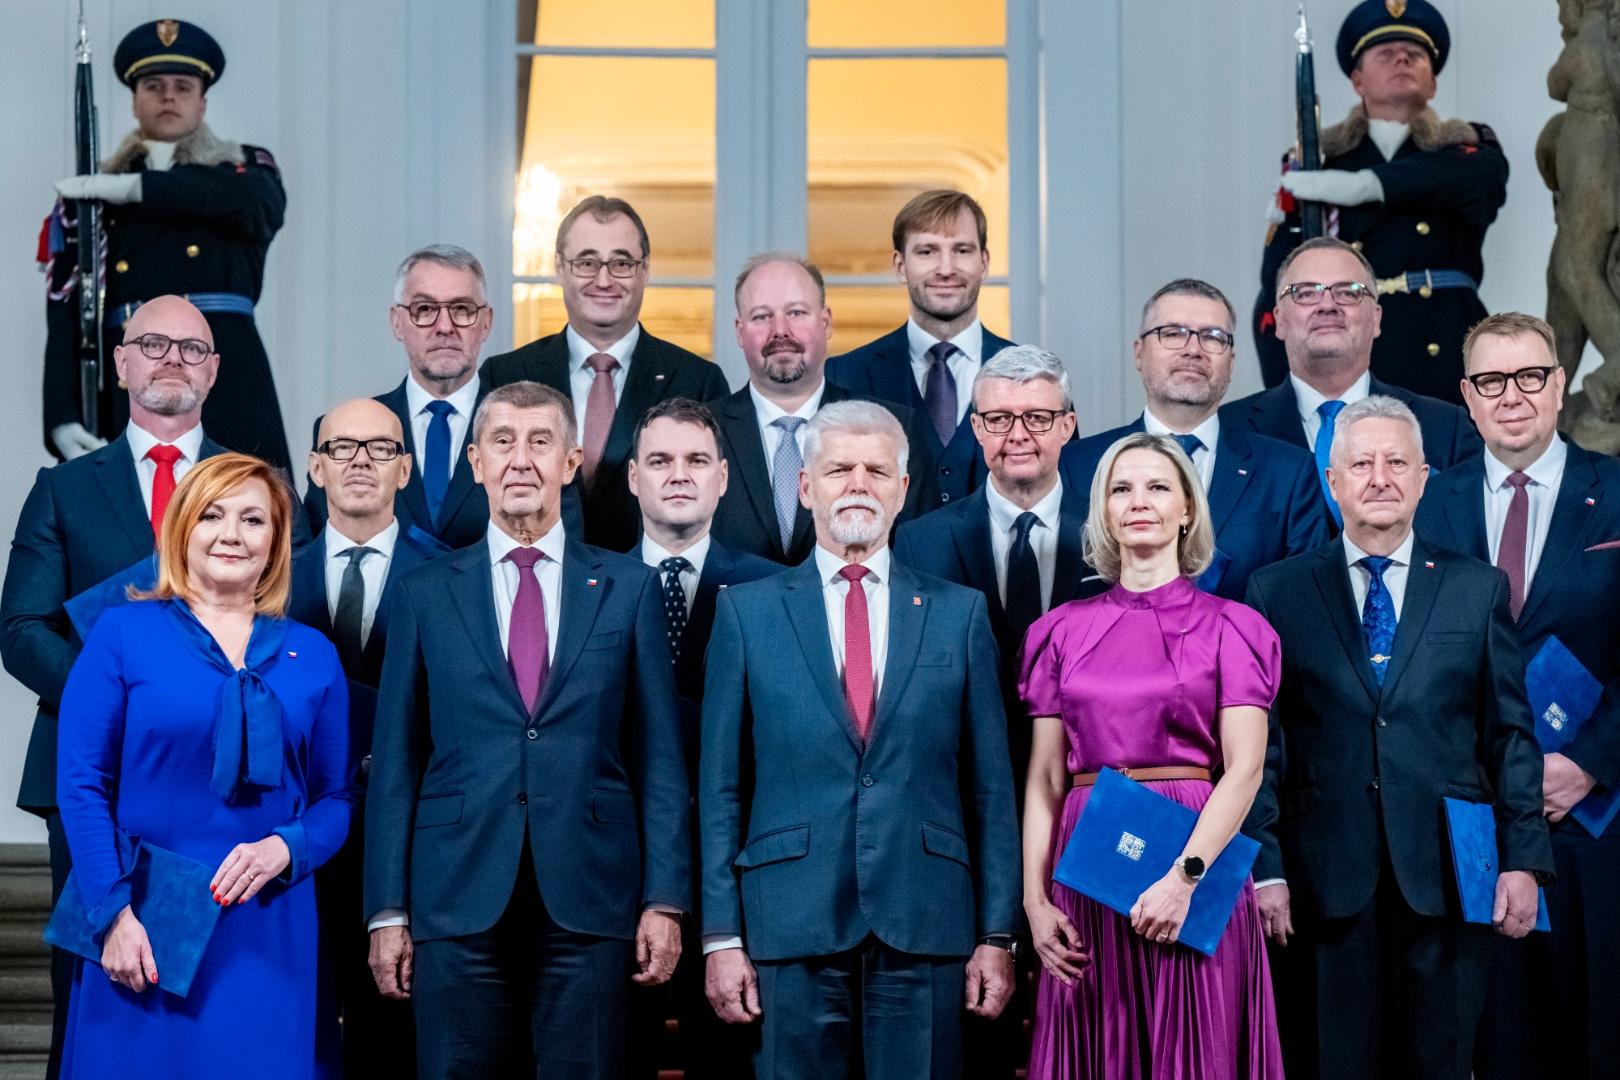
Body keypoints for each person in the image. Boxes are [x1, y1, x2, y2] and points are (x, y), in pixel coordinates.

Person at [363, 380, 690, 1077]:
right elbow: (395, 765)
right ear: (475, 462)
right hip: (453, 898)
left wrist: (665, 899)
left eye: (540, 442)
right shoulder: (423, 591)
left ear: (571, 461)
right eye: (503, 442)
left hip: (592, 899)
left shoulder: (628, 588)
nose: (521, 460)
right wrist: (387, 911)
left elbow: (658, 758)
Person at [701, 401, 1021, 1078]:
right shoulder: (745, 613)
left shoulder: (959, 614)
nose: (857, 483)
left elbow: (991, 789)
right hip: (786, 923)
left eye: (877, 470)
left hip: (926, 918)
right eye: (839, 468)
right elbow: (720, 790)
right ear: (806, 486)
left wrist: (997, 934)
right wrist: (721, 936)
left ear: (903, 490)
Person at [1244, 395, 1553, 1079]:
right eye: (1361, 463)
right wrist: (1265, 867)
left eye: (1396, 462)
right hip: (1321, 881)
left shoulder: (1477, 589)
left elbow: (1511, 735)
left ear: (1423, 477)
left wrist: (1524, 861)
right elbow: (1260, 750)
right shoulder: (1276, 592)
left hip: (1448, 875)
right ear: (1332, 481)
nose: (1379, 477)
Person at [54, 452, 354, 1077]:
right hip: (145, 920)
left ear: (276, 541)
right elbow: (82, 787)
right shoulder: (121, 633)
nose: (232, 534)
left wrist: (287, 847)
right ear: (181, 527)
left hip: (270, 927)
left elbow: (337, 799)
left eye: (254, 520)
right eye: (213, 515)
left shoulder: (314, 653)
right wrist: (112, 917)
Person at [2, 294, 236, 1079]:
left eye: (192, 349)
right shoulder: (64, 489)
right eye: (154, 344)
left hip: (222, 776)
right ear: (124, 362)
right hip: (91, 774)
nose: (173, 358)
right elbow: (23, 629)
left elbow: (282, 623)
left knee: (213, 987)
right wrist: (121, 713)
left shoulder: (254, 485)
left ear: (213, 373)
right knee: (94, 978)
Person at [1019, 432, 1284, 1078]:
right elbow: (1045, 778)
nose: (1140, 502)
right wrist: (1033, 899)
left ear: (1187, 509)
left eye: (1159, 487)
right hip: (1085, 866)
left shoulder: (1234, 626)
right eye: (1122, 488)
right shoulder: (1057, 630)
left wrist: (1182, 878)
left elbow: (1245, 768)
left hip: (1197, 854)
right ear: (1104, 511)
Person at [1414, 313, 1620, 1079]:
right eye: (1492, 381)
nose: (1513, 396)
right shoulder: (1427, 506)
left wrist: (1592, 763)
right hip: (1470, 821)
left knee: (1593, 1034)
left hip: (1594, 820)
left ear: (1560, 385)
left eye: (1530, 376)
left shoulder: (1618, 492)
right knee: (1494, 1043)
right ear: (1468, 397)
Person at [891, 344, 1088, 1080]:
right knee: (976, 1026)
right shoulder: (919, 541)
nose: (1019, 434)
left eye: (1038, 416)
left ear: (1069, 425)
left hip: (1086, 803)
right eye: (999, 417)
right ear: (974, 428)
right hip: (959, 813)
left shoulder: (1113, 536)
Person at [42, 19, 291, 470]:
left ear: (202, 101)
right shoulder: (94, 196)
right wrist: (60, 415)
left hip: (227, 380)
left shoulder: (243, 168)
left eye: (183, 85)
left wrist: (137, 189)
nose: (168, 96)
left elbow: (258, 205)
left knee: (245, 520)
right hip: (132, 382)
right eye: (154, 85)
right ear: (136, 102)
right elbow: (69, 311)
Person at [623, 397, 778, 1080]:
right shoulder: (592, 584)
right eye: (660, 460)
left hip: (743, 880)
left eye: (695, 461)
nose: (678, 475)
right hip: (619, 882)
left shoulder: (776, 590)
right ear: (633, 478)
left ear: (722, 476)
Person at [290, 398, 443, 1076]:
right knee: (296, 1029)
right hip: (292, 840)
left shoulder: (452, 577)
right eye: (342, 447)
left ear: (404, 470)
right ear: (315, 467)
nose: (360, 460)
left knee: (394, 1041)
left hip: (413, 843)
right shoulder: (267, 579)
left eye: (380, 448)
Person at [1252, 0, 1506, 406]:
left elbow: (1478, 181)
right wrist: (1291, 393)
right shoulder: (1316, 166)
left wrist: (1362, 187)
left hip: (1444, 364)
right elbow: (1276, 293)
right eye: (1386, 54)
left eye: (1415, 55)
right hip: (1350, 369)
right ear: (1358, 80)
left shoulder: (1467, 153)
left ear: (1433, 84)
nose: (1402, 58)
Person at [480, 196, 731, 552]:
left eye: (621, 263)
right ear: (559, 267)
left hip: (655, 590)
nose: (604, 279)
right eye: (586, 262)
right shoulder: (504, 375)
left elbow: (714, 509)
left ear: (645, 270)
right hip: (531, 578)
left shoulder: (699, 380)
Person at [1064, 279, 1328, 600]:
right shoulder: (1078, 467)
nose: (1193, 349)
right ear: (1139, 353)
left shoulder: (1289, 472)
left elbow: (1304, 598)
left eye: (1212, 337)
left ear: (1230, 362)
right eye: (1172, 333)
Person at [1223, 237, 1480, 528]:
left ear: (1376, 318)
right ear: (1279, 320)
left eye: (1348, 292)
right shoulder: (1228, 432)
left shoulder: (1447, 430)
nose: (1328, 305)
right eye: (1306, 293)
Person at [709, 252, 931, 565]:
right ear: (739, 330)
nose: (780, 330)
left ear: (825, 322)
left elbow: (918, 558)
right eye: (761, 316)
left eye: (796, 312)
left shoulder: (892, 428)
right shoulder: (705, 433)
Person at [827, 189, 1016, 509]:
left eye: (962, 250)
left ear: (984, 262)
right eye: (927, 251)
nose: (946, 268)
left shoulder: (1034, 377)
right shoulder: (844, 376)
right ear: (900, 265)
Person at [306, 245, 494, 551]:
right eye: (425, 310)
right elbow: (316, 546)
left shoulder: (523, 431)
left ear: (485, 322)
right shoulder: (339, 432)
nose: (444, 327)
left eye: (462, 309)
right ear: (397, 322)